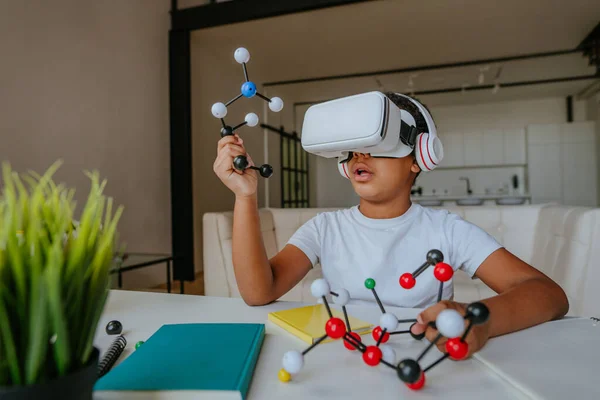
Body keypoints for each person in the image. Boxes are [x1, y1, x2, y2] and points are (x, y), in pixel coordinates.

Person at [213, 92, 569, 357]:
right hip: (345, 364)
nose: (359, 156)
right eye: (353, 149)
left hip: (425, 367)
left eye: (376, 144)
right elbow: (259, 291)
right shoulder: (325, 229)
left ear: (420, 157)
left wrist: (483, 320)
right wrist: (245, 196)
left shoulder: (447, 231)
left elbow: (549, 295)